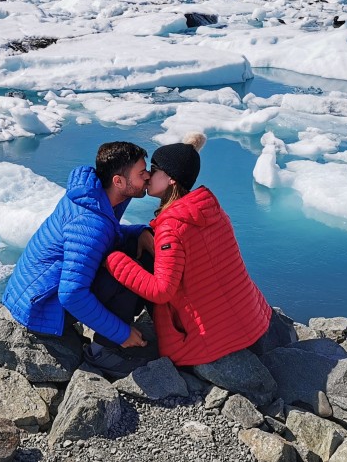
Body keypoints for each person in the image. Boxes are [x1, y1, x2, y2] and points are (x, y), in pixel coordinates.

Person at [106, 133, 293, 367]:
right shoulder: (209, 210)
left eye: (154, 169)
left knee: (135, 266)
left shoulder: (171, 226)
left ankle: (106, 342)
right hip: (250, 319)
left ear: (172, 178)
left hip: (204, 341)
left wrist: (113, 259)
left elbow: (161, 291)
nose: (148, 176)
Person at [3, 141, 155, 365]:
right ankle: (105, 351)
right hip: (40, 308)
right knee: (128, 272)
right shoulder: (91, 222)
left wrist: (138, 231)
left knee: (131, 248)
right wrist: (121, 333)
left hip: (31, 292)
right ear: (118, 181)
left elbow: (107, 234)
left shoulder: (94, 196)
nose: (148, 177)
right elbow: (71, 294)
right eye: (142, 173)